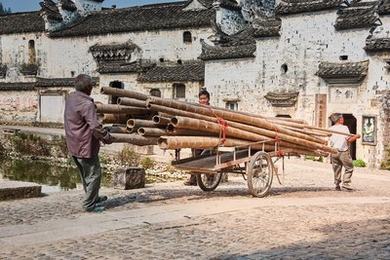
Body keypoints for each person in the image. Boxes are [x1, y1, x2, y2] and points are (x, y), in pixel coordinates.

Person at [64, 74, 113, 212]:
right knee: (94, 174)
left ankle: (93, 197)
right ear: (89, 88)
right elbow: (95, 127)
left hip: (73, 142)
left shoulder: (71, 98)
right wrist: (107, 137)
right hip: (85, 145)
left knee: (86, 174)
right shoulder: (87, 104)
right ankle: (89, 204)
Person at [184, 88, 211, 186]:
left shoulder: (212, 110)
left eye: (204, 99)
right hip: (197, 135)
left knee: (207, 157)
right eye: (201, 99)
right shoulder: (196, 110)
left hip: (208, 136)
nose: (203, 100)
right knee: (195, 156)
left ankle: (210, 177)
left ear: (208, 99)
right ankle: (193, 179)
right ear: (198, 100)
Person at [328, 113, 360, 191]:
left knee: (336, 169)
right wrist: (356, 136)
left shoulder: (330, 129)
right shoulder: (344, 128)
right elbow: (349, 140)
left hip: (334, 151)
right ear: (340, 119)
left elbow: (329, 141)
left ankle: (337, 184)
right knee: (349, 167)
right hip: (343, 151)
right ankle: (346, 183)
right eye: (342, 118)